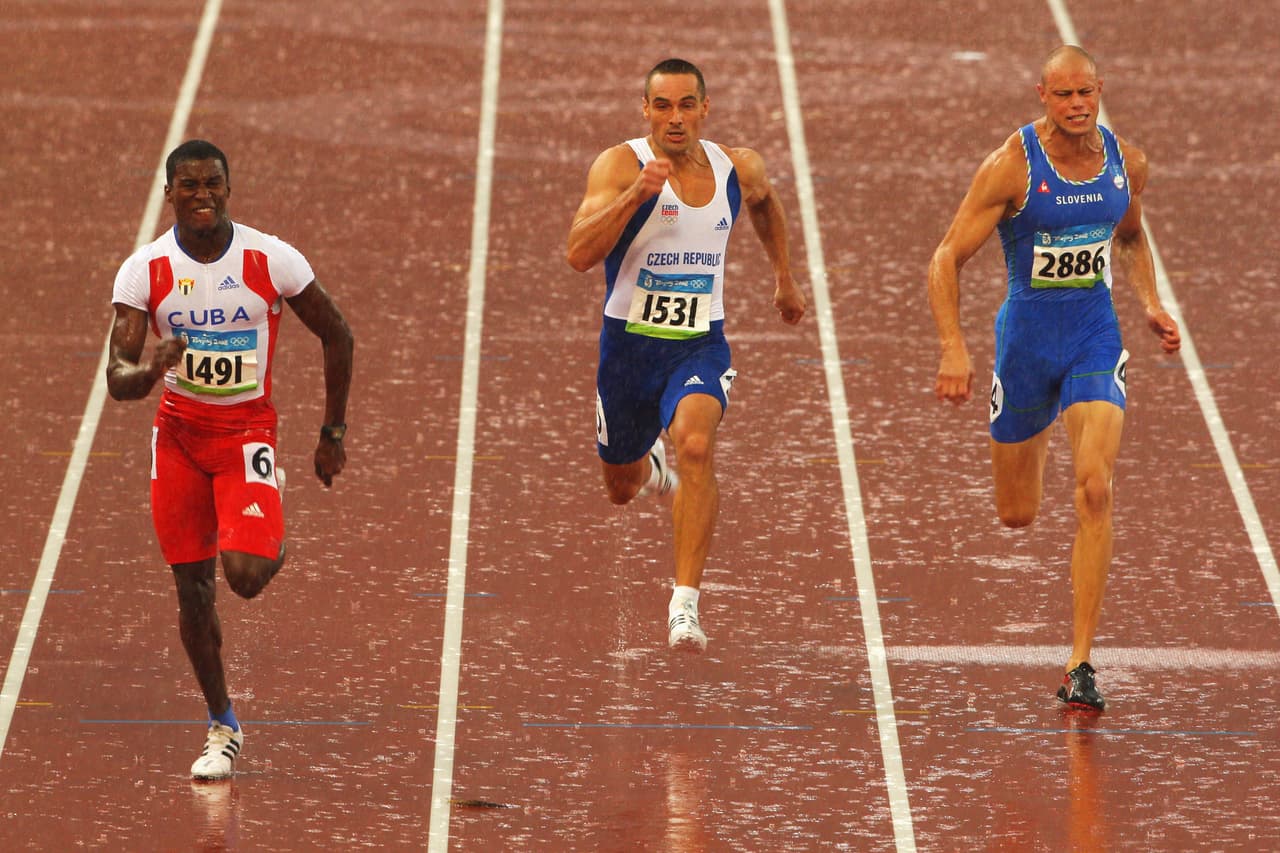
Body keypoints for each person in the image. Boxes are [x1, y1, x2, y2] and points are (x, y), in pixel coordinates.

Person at [927, 46, 1180, 711]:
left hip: (1094, 335)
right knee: (1017, 514)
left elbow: (1128, 235)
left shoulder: (1127, 163)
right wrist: (954, 346)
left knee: (1095, 488)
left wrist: (1150, 302)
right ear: (1043, 94)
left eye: (1086, 93)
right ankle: (1032, 423)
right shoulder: (1011, 167)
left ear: (1100, 90)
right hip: (1026, 347)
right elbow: (946, 257)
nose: (1077, 105)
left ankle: (1081, 661)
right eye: (1064, 94)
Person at [106, 139, 354, 778]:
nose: (202, 196)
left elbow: (337, 332)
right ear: (169, 194)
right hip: (181, 438)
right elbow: (117, 379)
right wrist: (151, 369)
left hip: (246, 434)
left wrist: (332, 431)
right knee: (192, 591)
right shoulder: (146, 271)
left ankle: (266, 539)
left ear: (228, 187)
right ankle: (222, 725)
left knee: (243, 576)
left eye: (213, 184)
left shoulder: (270, 260)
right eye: (188, 186)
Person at [566, 58, 806, 653]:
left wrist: (784, 276)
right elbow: (577, 253)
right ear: (645, 110)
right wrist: (632, 198)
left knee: (696, 444)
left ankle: (685, 604)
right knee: (619, 486)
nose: (676, 117)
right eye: (663, 106)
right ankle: (648, 468)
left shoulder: (735, 165)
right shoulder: (619, 164)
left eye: (686, 105)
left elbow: (765, 202)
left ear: (705, 108)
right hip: (627, 349)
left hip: (699, 342)